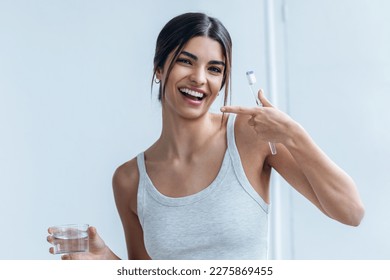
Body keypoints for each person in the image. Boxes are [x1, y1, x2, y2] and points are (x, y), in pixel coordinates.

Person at [47, 12, 364, 260]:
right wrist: (106, 259)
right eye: (186, 61)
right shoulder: (130, 179)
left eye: (214, 69)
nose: (199, 79)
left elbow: (351, 211)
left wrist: (294, 135)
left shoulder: (250, 136)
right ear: (159, 68)